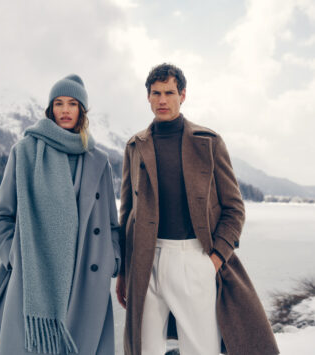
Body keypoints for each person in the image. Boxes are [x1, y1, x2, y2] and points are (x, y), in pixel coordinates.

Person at [116, 63, 279, 355]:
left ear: (183, 95)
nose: (162, 100)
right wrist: (124, 272)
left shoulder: (209, 142)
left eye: (169, 92)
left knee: (201, 349)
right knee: (143, 349)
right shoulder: (135, 145)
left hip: (194, 259)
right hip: (144, 262)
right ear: (148, 97)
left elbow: (234, 209)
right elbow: (126, 212)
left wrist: (215, 259)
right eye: (156, 93)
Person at [0, 74, 121, 355]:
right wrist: (16, 258)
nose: (65, 110)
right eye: (58, 103)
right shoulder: (25, 152)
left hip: (86, 279)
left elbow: (111, 225)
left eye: (72, 104)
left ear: (82, 111)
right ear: (50, 109)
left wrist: (111, 261)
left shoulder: (98, 161)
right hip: (33, 280)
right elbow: (2, 218)